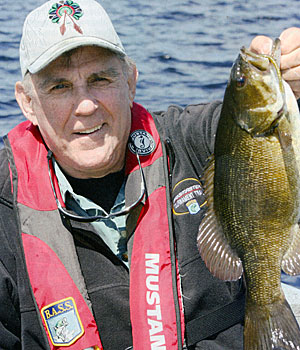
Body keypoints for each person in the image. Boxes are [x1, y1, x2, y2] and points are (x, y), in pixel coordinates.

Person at [0, 0, 300, 349]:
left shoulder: (195, 138)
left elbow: (257, 129)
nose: (85, 105)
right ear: (27, 102)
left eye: (100, 78)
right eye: (59, 87)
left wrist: (294, 81)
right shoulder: (5, 211)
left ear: (130, 80)